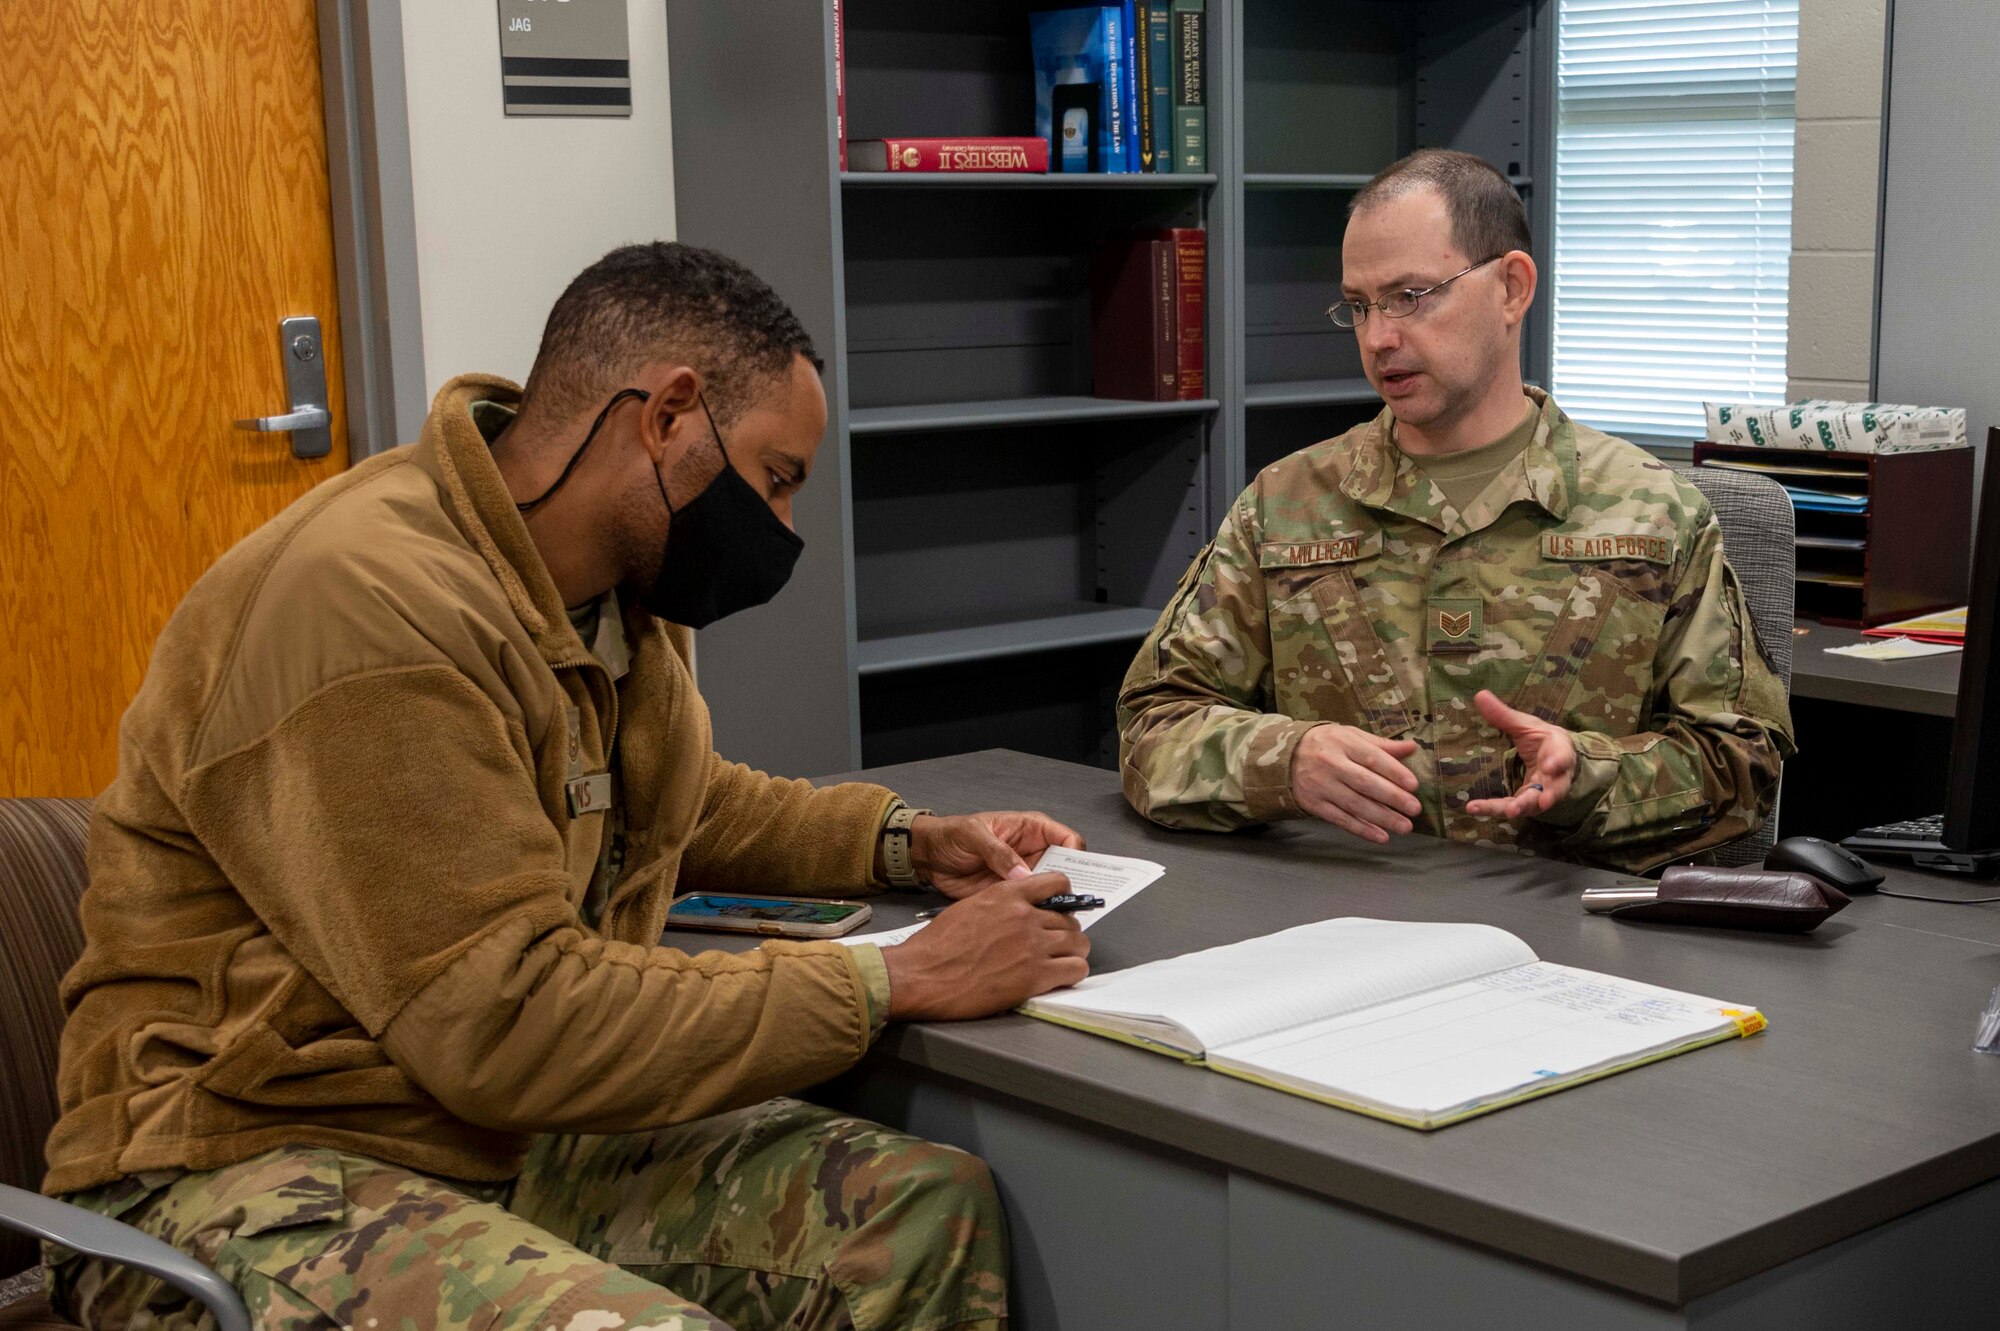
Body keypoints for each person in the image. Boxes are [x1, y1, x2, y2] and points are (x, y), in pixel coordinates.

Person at [44, 242, 1093, 1331]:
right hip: (249, 1166)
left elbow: (676, 802)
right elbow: (506, 1018)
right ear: (671, 415)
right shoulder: (369, 604)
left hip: (480, 1132)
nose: (779, 530)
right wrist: (890, 977)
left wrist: (906, 841)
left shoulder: (605, 593)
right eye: (775, 480)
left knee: (921, 1210)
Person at [1117, 149, 1793, 874]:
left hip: (1569, 935)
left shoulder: (1654, 513)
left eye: (1412, 295)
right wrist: (1284, 760)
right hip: (1340, 925)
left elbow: (1741, 765)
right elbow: (1153, 725)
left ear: (1511, 287)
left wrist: (1589, 776)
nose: (1379, 337)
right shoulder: (1286, 506)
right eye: (1360, 304)